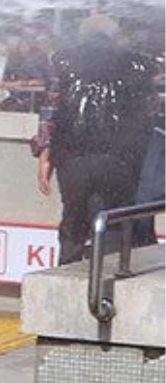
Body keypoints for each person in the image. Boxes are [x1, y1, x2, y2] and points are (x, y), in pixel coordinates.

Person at [36, 14, 156, 264]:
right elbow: (151, 111)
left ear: (82, 37)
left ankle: (67, 279)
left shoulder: (62, 62)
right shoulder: (139, 65)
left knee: (73, 224)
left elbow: (50, 109)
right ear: (116, 37)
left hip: (73, 158)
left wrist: (44, 151)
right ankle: (109, 283)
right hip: (121, 159)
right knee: (116, 223)